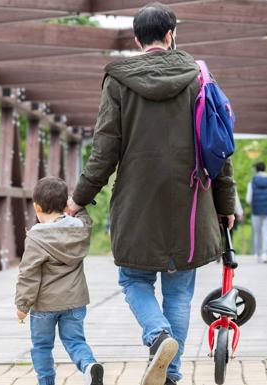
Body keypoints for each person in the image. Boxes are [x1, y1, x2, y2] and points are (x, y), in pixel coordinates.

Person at [66, 3, 236, 385]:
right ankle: (171, 375)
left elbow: (105, 150)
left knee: (134, 281)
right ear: (171, 34)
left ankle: (157, 335)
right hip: (190, 204)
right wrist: (226, 205)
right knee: (178, 293)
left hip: (136, 204)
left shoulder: (118, 80)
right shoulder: (198, 79)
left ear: (137, 39)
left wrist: (77, 199)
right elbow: (219, 148)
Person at [15, 176, 104, 385]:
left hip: (45, 305)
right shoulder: (80, 229)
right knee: (75, 341)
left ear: (36, 206)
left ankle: (46, 382)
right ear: (65, 205)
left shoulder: (36, 238)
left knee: (42, 346)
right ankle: (89, 365)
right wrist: (78, 206)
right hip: (74, 302)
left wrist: (22, 305)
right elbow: (85, 219)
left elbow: (28, 274)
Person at [246, 162, 267, 264]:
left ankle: (258, 254)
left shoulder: (252, 182)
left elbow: (248, 199)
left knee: (257, 232)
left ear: (256, 170)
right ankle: (265, 254)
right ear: (265, 169)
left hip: (256, 211)